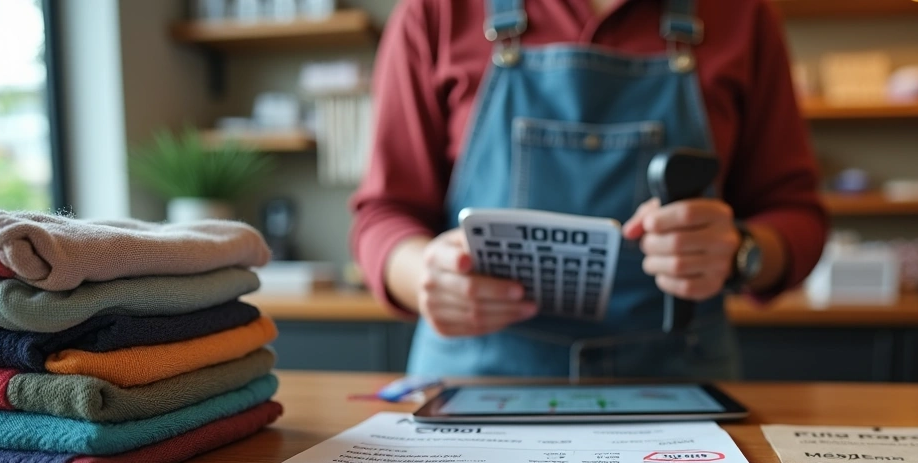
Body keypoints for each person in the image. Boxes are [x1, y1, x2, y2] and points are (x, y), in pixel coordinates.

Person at [350, 0, 827, 379]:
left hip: (677, 381)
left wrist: (742, 252)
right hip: (480, 378)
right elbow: (383, 214)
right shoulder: (436, 11)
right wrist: (424, 275)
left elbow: (794, 213)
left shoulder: (743, 14)